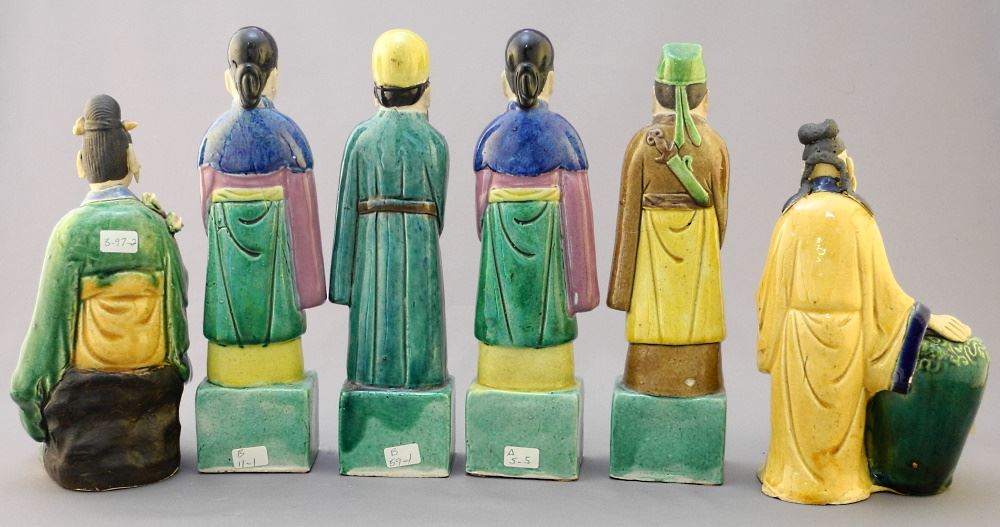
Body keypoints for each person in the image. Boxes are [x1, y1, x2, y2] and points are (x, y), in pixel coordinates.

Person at [756, 119, 971, 504]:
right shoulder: (858, 217)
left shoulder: (793, 216)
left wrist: (770, 340)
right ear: (844, 164)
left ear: (807, 169)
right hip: (846, 333)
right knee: (840, 418)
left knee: (798, 417)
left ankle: (790, 476)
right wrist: (924, 318)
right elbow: (883, 289)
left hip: (797, 332)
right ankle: (840, 480)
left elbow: (770, 290)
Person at [11, 94, 189, 490]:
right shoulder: (155, 229)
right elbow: (177, 324)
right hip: (153, 408)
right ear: (131, 160)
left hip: (85, 408)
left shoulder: (71, 233)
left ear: (80, 164)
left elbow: (47, 334)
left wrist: (29, 401)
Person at [198, 26, 326, 387]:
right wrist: (309, 289)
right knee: (280, 341)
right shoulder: (289, 138)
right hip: (277, 290)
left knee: (229, 337)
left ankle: (231, 373)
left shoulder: (213, 141)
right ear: (275, 79)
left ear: (228, 79)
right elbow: (303, 224)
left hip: (229, 284)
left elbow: (207, 216)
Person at [473, 28, 598, 391]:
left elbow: (481, 217)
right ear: (551, 82)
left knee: (502, 320)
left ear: (504, 82)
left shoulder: (491, 138)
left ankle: (500, 375)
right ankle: (547, 375)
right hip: (549, 240)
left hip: (501, 243)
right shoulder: (564, 137)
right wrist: (582, 289)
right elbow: (578, 220)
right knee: (549, 319)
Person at [607, 43, 729, 397]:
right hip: (699, 249)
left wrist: (622, 284)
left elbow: (628, 214)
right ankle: (698, 379)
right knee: (697, 320)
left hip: (650, 247)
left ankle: (647, 377)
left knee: (652, 318)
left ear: (654, 95)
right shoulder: (714, 146)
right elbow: (721, 217)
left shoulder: (642, 144)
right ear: (705, 98)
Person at [330, 29, 449, 388]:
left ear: (376, 91)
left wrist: (342, 284)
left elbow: (346, 215)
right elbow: (439, 215)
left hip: (372, 249)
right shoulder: (435, 144)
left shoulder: (361, 140)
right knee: (419, 320)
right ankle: (422, 378)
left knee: (374, 319)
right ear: (427, 91)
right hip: (420, 248)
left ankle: (370, 378)